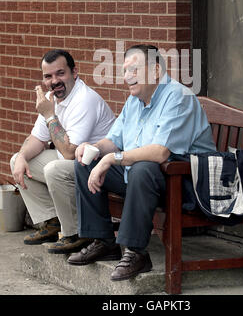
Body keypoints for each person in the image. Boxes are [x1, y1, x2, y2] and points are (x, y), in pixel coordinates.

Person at [68, 44, 216, 281]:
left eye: (134, 70)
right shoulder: (135, 100)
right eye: (125, 71)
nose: (127, 77)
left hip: (185, 183)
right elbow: (113, 141)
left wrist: (111, 159)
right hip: (146, 180)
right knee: (86, 164)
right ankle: (104, 242)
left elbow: (160, 153)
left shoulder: (178, 96)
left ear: (156, 70)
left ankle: (136, 252)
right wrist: (94, 149)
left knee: (142, 167)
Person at [10, 49, 115, 254]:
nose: (54, 81)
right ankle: (53, 222)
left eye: (60, 73)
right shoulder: (51, 98)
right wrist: (22, 156)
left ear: (74, 72)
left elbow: (69, 153)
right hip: (73, 162)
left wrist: (49, 115)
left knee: (54, 169)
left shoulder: (84, 99)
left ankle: (77, 233)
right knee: (18, 160)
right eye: (48, 76)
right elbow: (37, 139)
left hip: (99, 167)